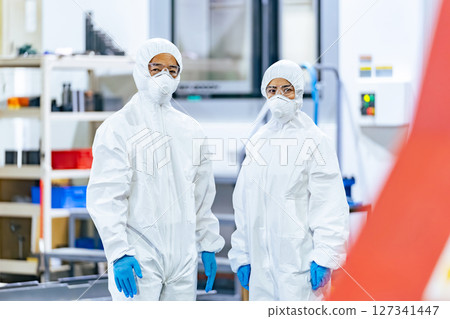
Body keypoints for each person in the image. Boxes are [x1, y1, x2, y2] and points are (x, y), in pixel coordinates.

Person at [87, 38, 225, 301]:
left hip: (183, 258)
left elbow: (202, 193)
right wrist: (119, 252)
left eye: (173, 70)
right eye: (156, 68)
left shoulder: (190, 130)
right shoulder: (118, 128)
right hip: (138, 255)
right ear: (141, 69)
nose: (165, 76)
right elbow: (106, 197)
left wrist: (207, 242)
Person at [228, 60, 349, 301]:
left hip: (300, 269)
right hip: (261, 270)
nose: (279, 97)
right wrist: (242, 254)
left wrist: (325, 255)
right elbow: (243, 203)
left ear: (298, 93)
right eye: (272, 90)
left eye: (286, 90)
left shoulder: (314, 140)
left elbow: (330, 205)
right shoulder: (259, 141)